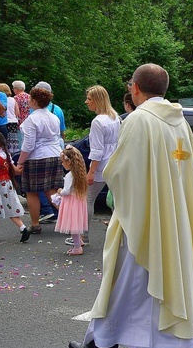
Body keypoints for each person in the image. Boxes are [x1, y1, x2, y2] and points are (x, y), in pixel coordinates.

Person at [68, 63, 193, 348]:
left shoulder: (139, 120)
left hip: (143, 219)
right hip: (176, 218)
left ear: (135, 87)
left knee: (121, 279)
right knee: (173, 280)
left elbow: (118, 171)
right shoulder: (181, 122)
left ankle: (102, 346)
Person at [70, 85, 120, 248]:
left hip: (101, 166)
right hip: (115, 163)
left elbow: (97, 150)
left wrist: (91, 171)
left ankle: (83, 235)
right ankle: (119, 235)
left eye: (89, 99)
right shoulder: (115, 117)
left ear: (97, 100)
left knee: (87, 199)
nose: (86, 102)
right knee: (118, 201)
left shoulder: (98, 121)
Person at [16, 86, 64, 235]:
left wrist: (20, 162)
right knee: (52, 190)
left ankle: (35, 224)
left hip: (37, 157)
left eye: (30, 98)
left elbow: (29, 144)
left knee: (32, 192)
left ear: (35, 101)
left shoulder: (32, 119)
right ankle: (70, 219)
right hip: (55, 154)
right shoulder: (53, 116)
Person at [0, 130, 29, 243]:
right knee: (7, 207)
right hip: (7, 184)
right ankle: (21, 228)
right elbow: (14, 170)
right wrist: (19, 168)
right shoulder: (5, 154)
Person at [53, 145, 89, 256]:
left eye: (63, 162)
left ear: (69, 162)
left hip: (71, 202)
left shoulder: (70, 175)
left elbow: (66, 191)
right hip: (78, 201)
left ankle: (77, 247)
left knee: (73, 226)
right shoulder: (80, 174)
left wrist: (59, 191)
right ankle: (79, 241)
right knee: (76, 223)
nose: (62, 164)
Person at [0, 83, 19, 153]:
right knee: (12, 142)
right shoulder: (13, 100)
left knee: (3, 140)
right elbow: (17, 112)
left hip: (4, 122)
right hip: (13, 122)